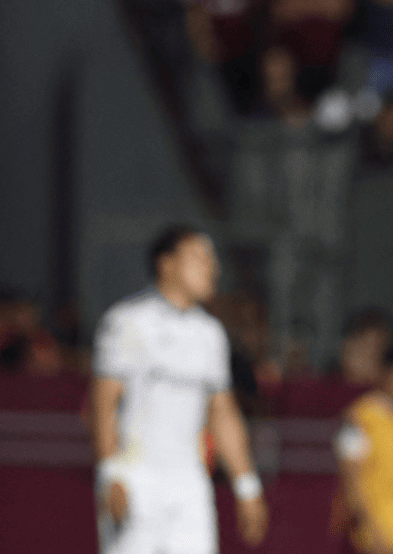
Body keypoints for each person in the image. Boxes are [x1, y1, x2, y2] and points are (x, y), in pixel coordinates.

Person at [89, 226, 268, 554]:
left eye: (212, 259)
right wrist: (110, 474)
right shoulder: (128, 322)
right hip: (135, 478)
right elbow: (102, 404)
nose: (212, 268)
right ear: (167, 264)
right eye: (200, 257)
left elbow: (223, 413)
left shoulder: (210, 333)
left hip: (189, 483)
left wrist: (247, 486)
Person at [331, 347, 393, 554]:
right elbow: (351, 479)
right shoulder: (360, 417)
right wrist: (372, 531)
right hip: (375, 530)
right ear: (385, 374)